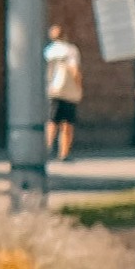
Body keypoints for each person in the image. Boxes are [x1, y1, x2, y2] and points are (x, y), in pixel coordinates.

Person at [44, 27, 85, 166]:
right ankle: (64, 153)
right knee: (67, 123)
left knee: (52, 121)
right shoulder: (70, 50)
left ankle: (46, 148)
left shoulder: (48, 50)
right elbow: (74, 70)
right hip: (67, 90)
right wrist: (79, 86)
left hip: (52, 89)